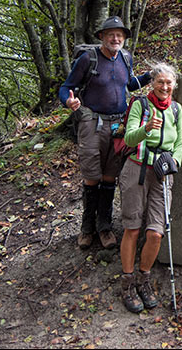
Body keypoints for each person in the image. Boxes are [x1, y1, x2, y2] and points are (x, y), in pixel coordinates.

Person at [59, 16, 151, 250]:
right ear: (101, 36)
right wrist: (68, 102)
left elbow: (129, 85)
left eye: (120, 34)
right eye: (111, 34)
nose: (116, 38)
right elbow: (66, 87)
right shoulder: (87, 59)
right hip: (92, 122)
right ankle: (87, 228)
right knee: (92, 176)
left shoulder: (126, 58)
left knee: (110, 175)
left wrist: (150, 76)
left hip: (119, 125)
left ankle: (105, 227)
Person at [118, 63, 182, 313]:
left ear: (174, 85)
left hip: (162, 173)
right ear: (153, 83)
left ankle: (143, 279)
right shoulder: (140, 105)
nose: (164, 87)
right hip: (136, 168)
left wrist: (175, 161)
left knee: (156, 231)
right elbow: (128, 138)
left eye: (169, 83)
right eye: (160, 82)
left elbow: (179, 142)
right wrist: (146, 129)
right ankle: (127, 282)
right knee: (133, 228)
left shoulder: (177, 110)